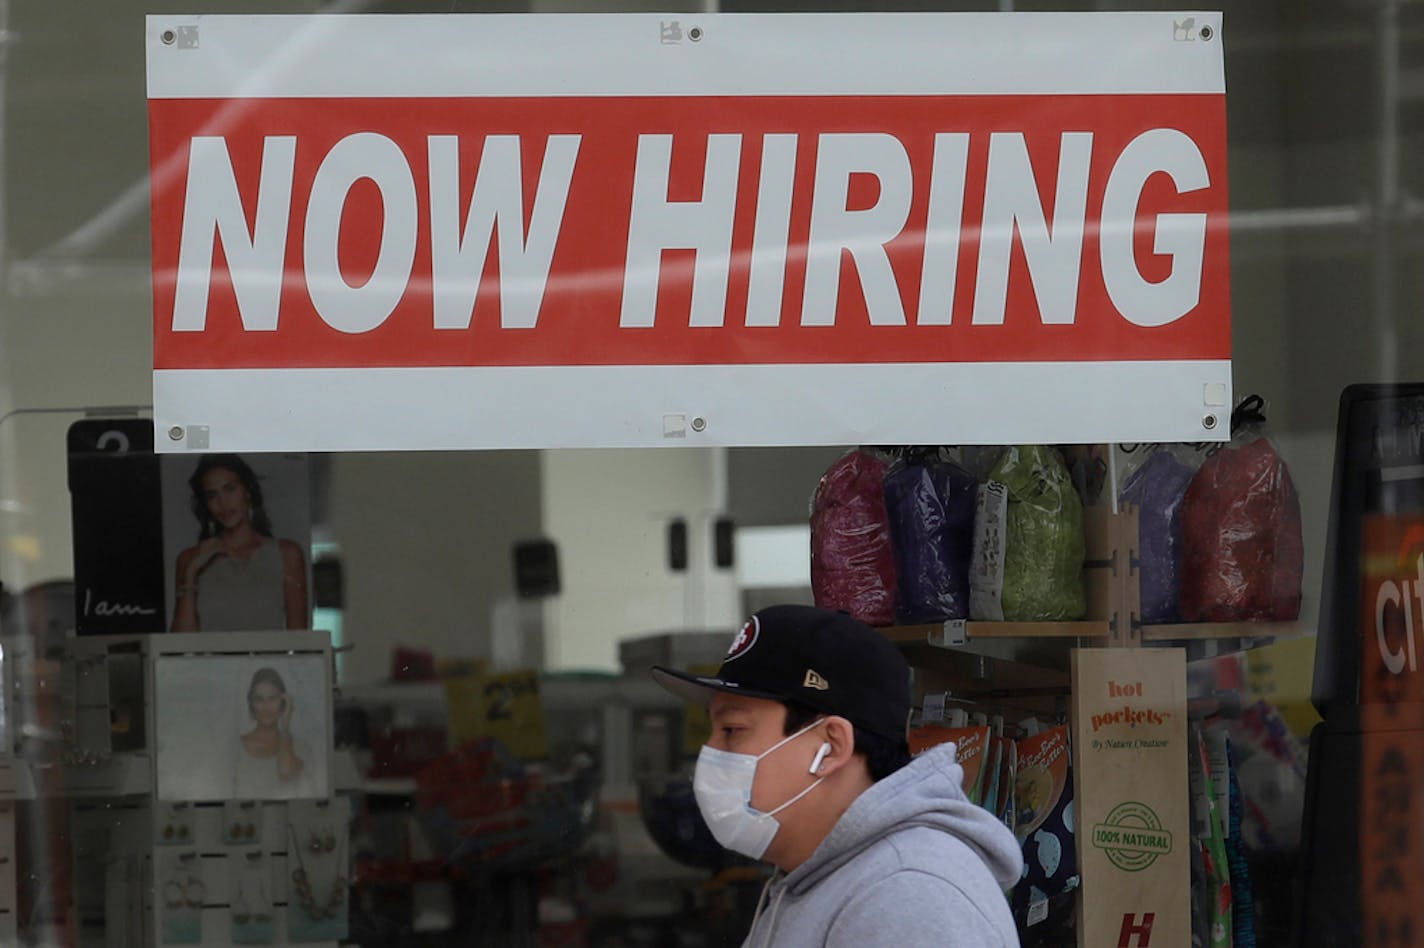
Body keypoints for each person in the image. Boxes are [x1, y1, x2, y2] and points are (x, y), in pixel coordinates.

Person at [652, 604, 1021, 947]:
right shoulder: (821, 879)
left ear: (830, 746)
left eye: (732, 730)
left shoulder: (908, 898)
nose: (711, 753)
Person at [170, 454, 308, 633]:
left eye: (230, 489)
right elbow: (180, 648)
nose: (223, 503)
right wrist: (190, 575)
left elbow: (300, 641)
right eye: (213, 496)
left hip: (269, 661)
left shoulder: (287, 554)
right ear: (206, 504)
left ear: (247, 491)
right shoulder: (190, 559)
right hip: (209, 661)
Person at [236, 667, 311, 798]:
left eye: (272, 699)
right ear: (251, 704)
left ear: (283, 702)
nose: (266, 707)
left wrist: (285, 726)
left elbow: (286, 773)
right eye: (259, 699)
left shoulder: (302, 748)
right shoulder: (235, 748)